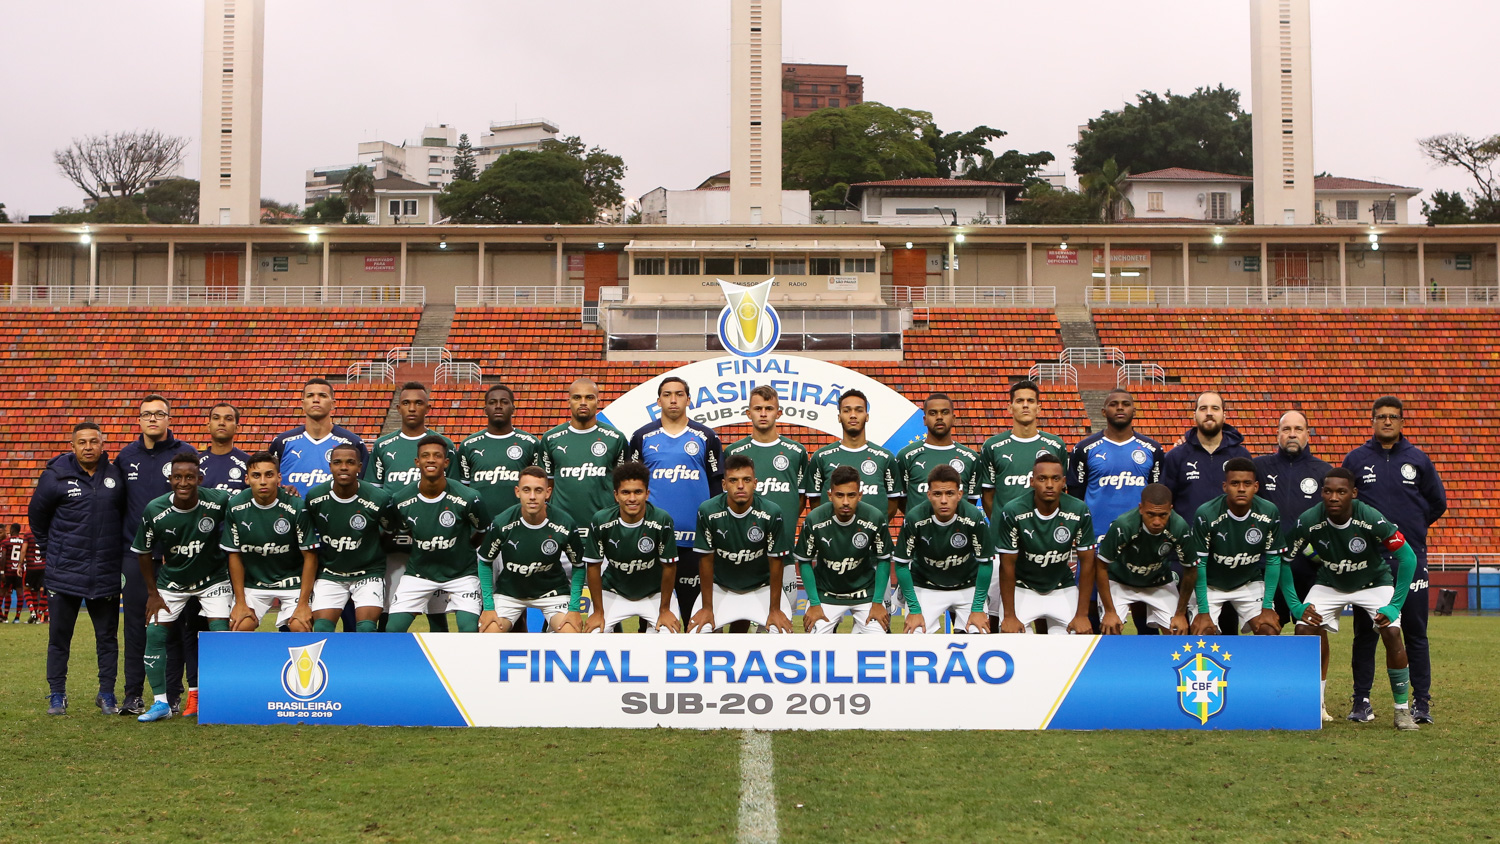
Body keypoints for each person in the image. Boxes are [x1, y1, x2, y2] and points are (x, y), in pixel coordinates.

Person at [1282, 468, 1419, 730]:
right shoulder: (1309, 520)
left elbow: (1408, 557)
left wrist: (1394, 606)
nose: (1334, 497)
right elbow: (1283, 560)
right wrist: (1295, 606)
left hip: (1373, 583)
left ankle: (1402, 711)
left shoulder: (1370, 517)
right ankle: (1315, 704)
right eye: (1328, 491)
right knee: (1304, 628)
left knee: (1391, 632)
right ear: (1321, 493)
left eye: (1341, 492)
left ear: (1353, 494)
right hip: (1330, 583)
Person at [1341, 396, 1446, 724]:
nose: (1387, 422)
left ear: (1402, 422)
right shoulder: (1356, 459)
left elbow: (1437, 503)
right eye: (1381, 417)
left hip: (1409, 558)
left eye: (1393, 417)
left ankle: (1421, 703)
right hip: (1369, 562)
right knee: (1365, 632)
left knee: (1415, 631)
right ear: (1371, 421)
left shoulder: (1418, 460)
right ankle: (1362, 701)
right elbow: (1345, 503)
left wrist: (1412, 528)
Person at [28, 421, 126, 716]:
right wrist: (51, 552)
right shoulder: (55, 476)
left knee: (107, 639)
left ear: (102, 445)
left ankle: (106, 694)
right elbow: (37, 517)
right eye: (81, 442)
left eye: (93, 442)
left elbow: (125, 514)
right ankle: (57, 694)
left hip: (106, 572)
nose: (87, 447)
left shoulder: (116, 476)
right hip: (64, 572)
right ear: (72, 447)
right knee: (59, 638)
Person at [130, 454, 232, 723]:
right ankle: (161, 703)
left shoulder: (218, 500)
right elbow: (143, 552)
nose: (183, 482)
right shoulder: (155, 509)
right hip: (172, 583)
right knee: (154, 633)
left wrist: (285, 490)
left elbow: (248, 503)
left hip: (213, 580)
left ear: (200, 479)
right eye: (178, 477)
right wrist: (153, 594)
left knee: (220, 634)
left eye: (189, 477)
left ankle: (218, 698)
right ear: (170, 479)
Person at [114, 394, 197, 717]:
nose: (153, 419)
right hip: (136, 555)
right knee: (136, 625)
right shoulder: (126, 457)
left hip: (177, 555)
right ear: (139, 420)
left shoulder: (184, 454)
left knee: (173, 627)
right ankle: (133, 694)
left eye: (159, 414)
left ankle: (172, 695)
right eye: (146, 414)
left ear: (168, 419)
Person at [627, 377, 724, 626]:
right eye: (667, 394)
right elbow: (633, 487)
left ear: (688, 399)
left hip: (695, 542)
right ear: (658, 400)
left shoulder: (706, 436)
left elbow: (716, 485)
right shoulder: (642, 436)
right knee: (651, 620)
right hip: (654, 540)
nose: (673, 399)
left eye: (679, 394)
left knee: (698, 619)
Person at [1067, 389, 1165, 634]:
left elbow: (1157, 495)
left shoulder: (1152, 450)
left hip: (1140, 539)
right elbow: (1077, 498)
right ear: (1104, 411)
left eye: (1125, 404)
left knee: (1142, 599)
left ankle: (1146, 656)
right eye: (1113, 404)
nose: (1120, 408)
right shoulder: (1084, 448)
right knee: (1090, 601)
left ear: (1134, 410)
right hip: (1096, 538)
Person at [367, 382, 456, 632]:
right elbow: (374, 494)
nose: (412, 408)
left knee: (437, 614)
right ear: (398, 407)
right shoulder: (383, 446)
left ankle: (442, 667)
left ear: (428, 407)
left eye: (418, 402)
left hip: (433, 542)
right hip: (392, 544)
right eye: (406, 403)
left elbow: (455, 494)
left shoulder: (444, 445)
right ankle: (387, 665)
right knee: (390, 609)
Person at [385, 437, 490, 633]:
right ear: (417, 462)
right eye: (425, 456)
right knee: (393, 630)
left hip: (462, 575)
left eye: (437, 456)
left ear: (446, 462)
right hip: (419, 574)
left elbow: (483, 532)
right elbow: (404, 529)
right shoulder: (401, 500)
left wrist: (464, 548)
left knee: (469, 630)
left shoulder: (469, 497)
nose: (431, 460)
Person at [725, 385, 809, 623]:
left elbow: (799, 500)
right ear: (748, 413)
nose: (763, 413)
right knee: (736, 621)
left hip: (784, 556)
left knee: (779, 623)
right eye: (758, 408)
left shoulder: (796, 452)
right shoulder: (734, 451)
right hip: (741, 556)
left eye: (769, 408)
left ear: (779, 413)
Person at [993, 454, 1096, 635]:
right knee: (1011, 637)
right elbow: (1007, 565)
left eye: (1055, 479)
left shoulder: (1079, 510)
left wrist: (1082, 614)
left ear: (1064, 482)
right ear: (1032, 481)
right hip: (1022, 587)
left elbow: (1087, 563)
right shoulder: (1013, 511)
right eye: (1042, 479)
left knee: (1079, 635)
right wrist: (1009, 615)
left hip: (1061, 586)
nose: (1049, 484)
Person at [688, 455, 791, 633]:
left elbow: (776, 563)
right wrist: (706, 608)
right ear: (724, 484)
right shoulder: (707, 511)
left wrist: (774, 609)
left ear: (755, 483)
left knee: (781, 632)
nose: (740, 486)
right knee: (699, 631)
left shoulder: (772, 512)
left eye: (746, 480)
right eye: (733, 480)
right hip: (720, 588)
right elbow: (705, 561)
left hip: (761, 588)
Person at [477, 467, 584, 633]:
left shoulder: (565, 524)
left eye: (538, 490)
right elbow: (485, 562)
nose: (532, 497)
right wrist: (489, 607)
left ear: (548, 493)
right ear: (517, 492)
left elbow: (578, 565)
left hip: (552, 592)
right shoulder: (502, 523)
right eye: (527, 490)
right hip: (510, 594)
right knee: (489, 631)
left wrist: (575, 608)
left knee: (571, 632)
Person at [578, 463, 680, 634]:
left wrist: (664, 609)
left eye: (638, 492)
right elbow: (594, 566)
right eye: (625, 492)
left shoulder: (662, 520)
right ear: (616, 495)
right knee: (594, 635)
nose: (632, 498)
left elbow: (669, 566)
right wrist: (597, 612)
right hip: (613, 591)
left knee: (669, 635)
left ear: (647, 494)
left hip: (654, 594)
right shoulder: (601, 520)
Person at [1187, 457, 1283, 637]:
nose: (1241, 489)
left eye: (1247, 483)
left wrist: (1268, 606)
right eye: (1235, 483)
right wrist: (1204, 611)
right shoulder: (1206, 514)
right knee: (1203, 632)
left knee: (1269, 631)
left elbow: (1273, 560)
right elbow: (1198, 565)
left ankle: (1254, 666)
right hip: (1210, 585)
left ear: (1256, 487)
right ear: (1225, 487)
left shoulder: (1269, 512)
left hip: (1248, 583)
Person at [224, 452, 318, 636]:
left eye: (269, 474)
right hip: (255, 583)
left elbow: (310, 557)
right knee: (240, 627)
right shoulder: (235, 506)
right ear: (247, 479)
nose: (263, 481)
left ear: (279, 477)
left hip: (293, 582)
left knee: (300, 627)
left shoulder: (296, 506)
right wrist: (240, 602)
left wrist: (303, 604)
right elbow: (234, 554)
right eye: (256, 475)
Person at [305, 443, 394, 633]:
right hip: (331, 573)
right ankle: (331, 662)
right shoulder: (315, 497)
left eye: (350, 462)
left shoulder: (379, 498)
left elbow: (389, 531)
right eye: (337, 462)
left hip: (368, 573)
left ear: (360, 467)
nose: (344, 467)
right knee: (321, 628)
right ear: (330, 466)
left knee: (367, 629)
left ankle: (364, 663)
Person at [1253, 410, 1332, 624]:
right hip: (1268, 566)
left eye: (1298, 429)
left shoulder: (1324, 471)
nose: (1292, 434)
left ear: (1308, 434)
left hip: (1309, 566)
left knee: (1313, 628)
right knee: (1268, 628)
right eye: (1286, 429)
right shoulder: (1259, 467)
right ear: (1277, 434)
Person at [893, 465, 991, 635]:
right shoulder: (915, 518)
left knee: (978, 633)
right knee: (915, 634)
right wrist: (915, 610)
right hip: (926, 586)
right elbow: (901, 565)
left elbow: (986, 564)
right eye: (938, 494)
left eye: (950, 494)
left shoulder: (974, 517)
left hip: (967, 585)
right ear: (929, 495)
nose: (944, 500)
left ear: (960, 494)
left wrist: (977, 608)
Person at [794, 465, 892, 634]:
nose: (845, 502)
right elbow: (804, 562)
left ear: (859, 495)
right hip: (826, 594)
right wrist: (815, 603)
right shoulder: (814, 519)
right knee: (814, 647)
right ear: (830, 495)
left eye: (851, 495)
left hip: (865, 594)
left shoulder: (875, 518)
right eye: (840, 495)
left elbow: (883, 560)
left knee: (879, 643)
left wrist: (877, 602)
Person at [1094, 484, 1192, 635]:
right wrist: (1109, 611)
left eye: (1163, 515)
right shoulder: (1124, 525)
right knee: (1110, 628)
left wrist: (1180, 614)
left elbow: (1191, 570)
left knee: (1177, 631)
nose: (1157, 522)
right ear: (1141, 508)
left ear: (1170, 509)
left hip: (1159, 582)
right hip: (1120, 581)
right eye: (1151, 514)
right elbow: (1101, 566)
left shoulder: (1179, 527)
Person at [541, 378, 628, 533]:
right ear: (569, 401)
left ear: (598, 401)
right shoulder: (551, 438)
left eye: (589, 397)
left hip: (604, 529)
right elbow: (547, 486)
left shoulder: (615, 438)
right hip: (561, 530)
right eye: (577, 397)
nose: (583, 402)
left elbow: (622, 487)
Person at [980, 380, 1068, 518]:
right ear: (1010, 408)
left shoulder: (1056, 445)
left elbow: (1061, 491)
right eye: (1020, 401)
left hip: (1045, 530)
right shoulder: (992, 446)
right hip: (1006, 533)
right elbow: (988, 495)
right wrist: (1003, 525)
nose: (1025, 405)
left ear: (1038, 408)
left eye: (1030, 401)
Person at [268, 378, 368, 497]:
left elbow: (364, 486)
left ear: (333, 404)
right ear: (302, 404)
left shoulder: (353, 443)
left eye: (322, 395)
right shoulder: (282, 442)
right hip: (292, 513)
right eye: (310, 396)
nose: (316, 400)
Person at [807, 389, 899, 518]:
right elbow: (815, 501)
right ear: (839, 417)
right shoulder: (821, 457)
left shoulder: (885, 457)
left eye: (859, 410)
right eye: (847, 410)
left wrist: (873, 526)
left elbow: (892, 503)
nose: (853, 415)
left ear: (867, 416)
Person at [457, 384, 543, 518]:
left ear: (513, 408)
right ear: (485, 409)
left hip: (518, 523)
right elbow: (463, 491)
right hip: (480, 527)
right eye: (492, 402)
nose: (498, 406)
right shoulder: (468, 445)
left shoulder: (530, 443)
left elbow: (539, 487)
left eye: (504, 402)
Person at [895, 393, 980, 510]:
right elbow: (901, 500)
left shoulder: (971, 458)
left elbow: (970, 502)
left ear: (953, 418)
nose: (939, 417)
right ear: (924, 420)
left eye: (944, 412)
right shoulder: (906, 456)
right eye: (933, 413)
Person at [199, 403, 249, 493]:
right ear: (208, 426)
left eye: (228, 419)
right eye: (216, 418)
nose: (221, 423)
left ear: (237, 427)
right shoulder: (196, 464)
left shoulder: (249, 463)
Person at [2, 524, 24, 623]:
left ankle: (5, 617)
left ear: (11, 530)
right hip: (18, 571)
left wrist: (2, 571)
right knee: (20, 593)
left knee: (4, 593)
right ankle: (17, 618)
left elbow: (3, 557)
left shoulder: (5, 542)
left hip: (8, 571)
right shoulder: (23, 541)